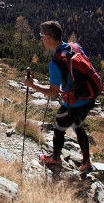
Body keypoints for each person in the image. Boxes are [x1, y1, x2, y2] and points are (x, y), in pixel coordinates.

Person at [23, 20, 95, 172]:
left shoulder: (56, 63)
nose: (41, 38)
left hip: (75, 102)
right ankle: (86, 161)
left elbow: (53, 93)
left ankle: (55, 159)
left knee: (58, 127)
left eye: (42, 35)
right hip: (89, 96)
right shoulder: (74, 47)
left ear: (49, 37)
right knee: (77, 125)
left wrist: (32, 85)